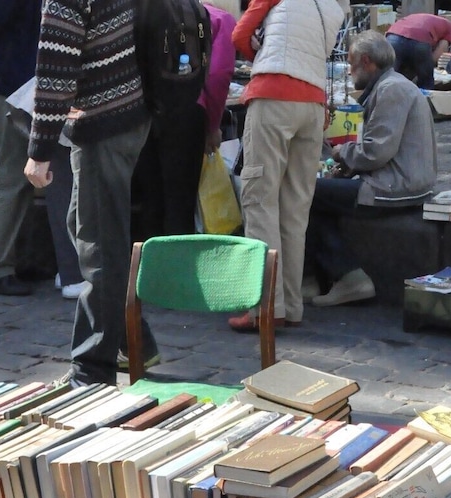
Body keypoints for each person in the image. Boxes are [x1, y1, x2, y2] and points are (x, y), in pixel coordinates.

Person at [24, 0, 159, 387]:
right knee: (90, 230)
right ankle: (136, 340)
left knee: (98, 244)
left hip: (104, 122)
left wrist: (39, 152)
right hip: (132, 113)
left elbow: (56, 72)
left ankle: (91, 368)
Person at [229, 0, 343, 331]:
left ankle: (265, 308)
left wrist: (261, 56)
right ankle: (290, 305)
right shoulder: (334, 8)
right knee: (295, 210)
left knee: (260, 201)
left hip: (274, 95)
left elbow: (240, 35)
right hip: (312, 105)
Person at [306, 31, 436, 307]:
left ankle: (348, 275)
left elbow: (378, 151)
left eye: (352, 65)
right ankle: (317, 278)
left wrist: (343, 153)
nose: (351, 73)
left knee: (307, 191)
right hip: (395, 179)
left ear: (366, 61)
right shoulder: (390, 86)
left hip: (396, 186)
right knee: (317, 193)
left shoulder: (392, 90)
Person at [0, 0, 84, 299]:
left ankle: (9, 263)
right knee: (15, 179)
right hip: (12, 89)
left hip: (25, 87)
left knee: (28, 177)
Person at [129, 0, 236, 241]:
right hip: (188, 114)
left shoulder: (148, 10)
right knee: (180, 202)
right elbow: (218, 75)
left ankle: (148, 271)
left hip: (145, 112)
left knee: (150, 200)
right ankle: (178, 271)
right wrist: (213, 126)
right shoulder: (219, 19)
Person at [385, 14, 451, 89]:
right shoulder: (450, 26)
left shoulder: (417, 17)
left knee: (388, 77)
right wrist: (429, 65)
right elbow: (441, 49)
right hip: (420, 40)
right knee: (425, 82)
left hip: (393, 36)